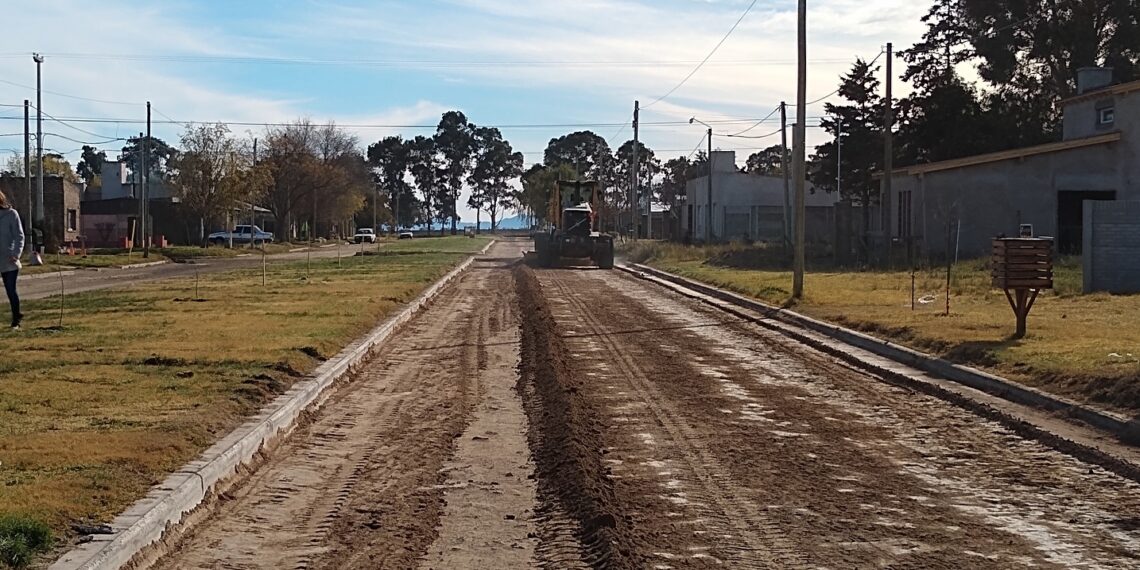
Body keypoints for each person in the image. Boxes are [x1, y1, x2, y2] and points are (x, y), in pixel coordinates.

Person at [0, 190, 25, 330]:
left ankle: (16, 319)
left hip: (9, 258)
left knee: (10, 289)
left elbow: (19, 236)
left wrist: (16, 253)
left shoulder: (11, 214)